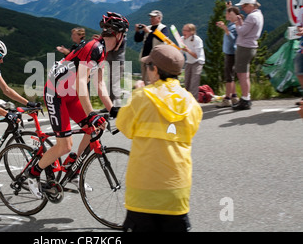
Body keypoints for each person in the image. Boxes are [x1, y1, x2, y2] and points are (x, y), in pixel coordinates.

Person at [26, 12, 129, 199]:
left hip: (72, 96)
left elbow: (99, 85)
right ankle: (32, 174)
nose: (125, 39)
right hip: (56, 94)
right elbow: (82, 82)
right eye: (125, 35)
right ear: (118, 34)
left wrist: (112, 109)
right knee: (65, 145)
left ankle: (72, 169)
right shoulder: (94, 47)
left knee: (95, 128)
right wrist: (91, 112)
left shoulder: (102, 52)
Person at [116, 44, 203, 232]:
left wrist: (137, 92)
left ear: (154, 69)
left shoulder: (140, 97)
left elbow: (124, 127)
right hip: (176, 192)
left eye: (148, 66)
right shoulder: (191, 102)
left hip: (142, 192)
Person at [232, 0, 264, 110]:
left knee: (243, 75)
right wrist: (241, 21)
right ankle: (246, 97)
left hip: (245, 47)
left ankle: (245, 100)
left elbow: (242, 32)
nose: (242, 8)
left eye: (244, 6)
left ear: (250, 5)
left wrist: (236, 23)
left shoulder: (251, 17)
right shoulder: (258, 15)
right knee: (244, 74)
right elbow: (247, 30)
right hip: (250, 47)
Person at [216, 6, 241, 107]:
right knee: (231, 75)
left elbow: (233, 40)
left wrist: (225, 29)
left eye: (228, 14)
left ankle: (227, 99)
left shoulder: (235, 26)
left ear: (234, 15)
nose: (226, 15)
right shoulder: (232, 24)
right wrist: (228, 7)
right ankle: (234, 97)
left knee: (228, 77)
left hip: (231, 53)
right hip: (229, 52)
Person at [135, 10, 169, 85]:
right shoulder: (148, 27)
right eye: (151, 17)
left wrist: (150, 32)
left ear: (159, 18)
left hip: (155, 58)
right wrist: (137, 31)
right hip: (145, 57)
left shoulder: (163, 28)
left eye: (153, 17)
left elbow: (163, 38)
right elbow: (138, 39)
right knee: (144, 79)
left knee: (152, 80)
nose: (151, 19)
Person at [181, 24, 205, 100]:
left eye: (186, 30)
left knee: (194, 82)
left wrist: (187, 50)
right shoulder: (182, 39)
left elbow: (196, 56)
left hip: (198, 61)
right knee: (187, 82)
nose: (184, 32)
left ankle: (194, 101)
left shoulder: (197, 40)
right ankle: (186, 101)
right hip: (189, 62)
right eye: (183, 30)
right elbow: (180, 52)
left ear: (192, 32)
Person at [294, 8, 303, 106]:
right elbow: (299, 25)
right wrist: (300, 29)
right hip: (302, 45)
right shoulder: (301, 10)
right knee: (299, 71)